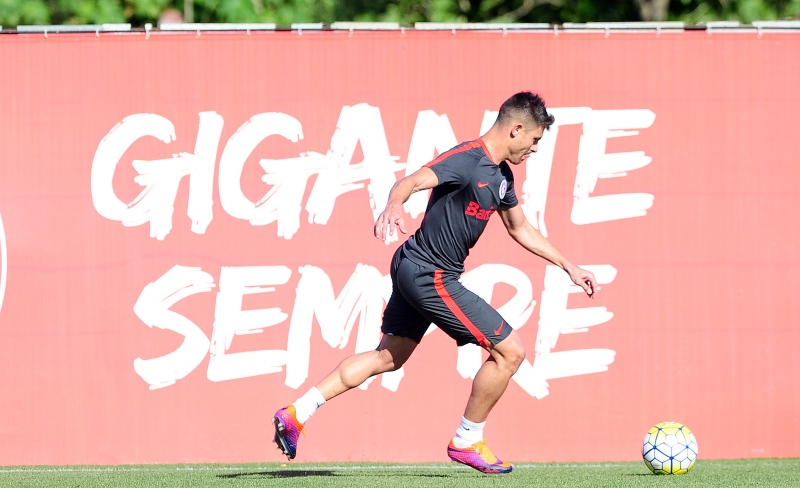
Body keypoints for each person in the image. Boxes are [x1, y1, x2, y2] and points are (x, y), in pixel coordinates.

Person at [272, 92, 599, 474]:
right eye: (535, 139)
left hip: (415, 268)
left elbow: (520, 227)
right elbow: (410, 181)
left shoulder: (502, 177)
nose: (535, 148)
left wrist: (568, 266)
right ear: (516, 129)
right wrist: (394, 204)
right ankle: (467, 439)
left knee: (387, 358)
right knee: (510, 352)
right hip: (429, 274)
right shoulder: (467, 159)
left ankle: (298, 412)